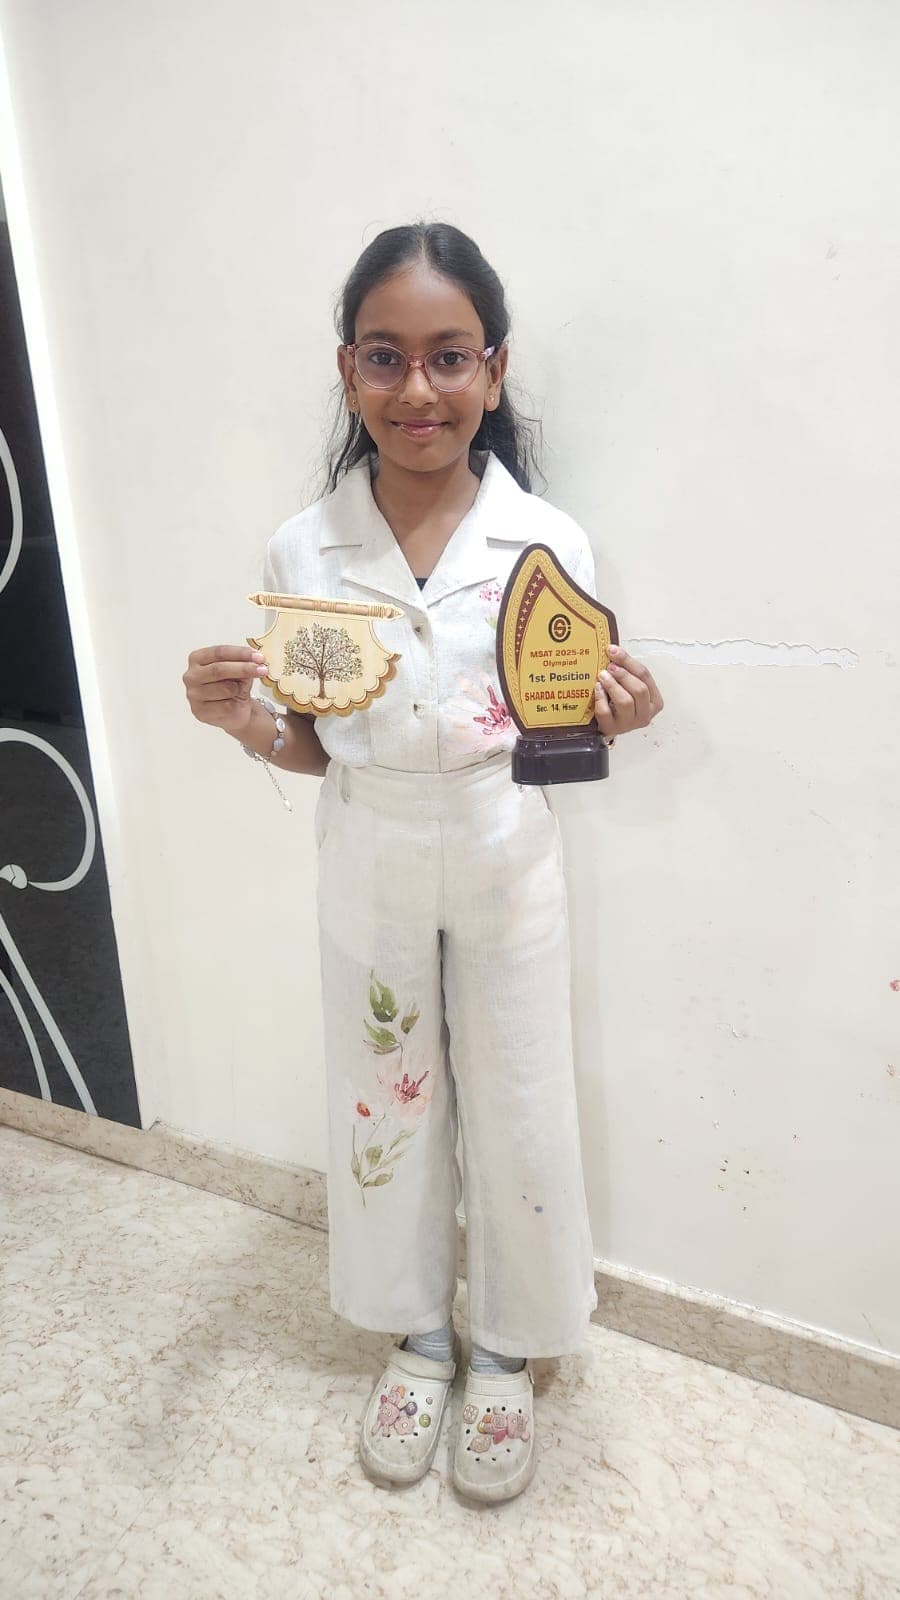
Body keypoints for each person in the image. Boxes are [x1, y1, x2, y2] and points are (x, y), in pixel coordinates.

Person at [183, 222, 663, 1503]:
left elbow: (560, 724)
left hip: (511, 853)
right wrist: (245, 722)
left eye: (449, 358)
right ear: (348, 373)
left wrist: (617, 715)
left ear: (494, 374)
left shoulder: (547, 543)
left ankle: (506, 1344)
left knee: (517, 1095)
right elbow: (313, 744)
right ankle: (421, 1333)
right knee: (385, 1097)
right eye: (386, 359)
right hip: (372, 849)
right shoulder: (305, 551)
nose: (418, 390)